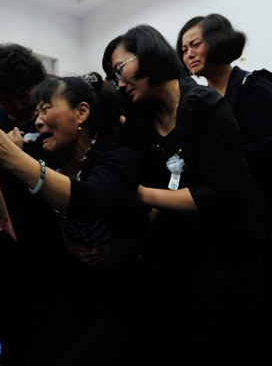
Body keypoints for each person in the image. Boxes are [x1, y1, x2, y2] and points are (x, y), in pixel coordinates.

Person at [0, 75, 149, 365]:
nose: (38, 121)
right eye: (38, 113)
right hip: (74, 285)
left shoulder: (119, 156)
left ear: (82, 111)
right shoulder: (48, 156)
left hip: (126, 287)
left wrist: (9, 155)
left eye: (46, 109)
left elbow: (90, 201)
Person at [103, 25, 266, 362]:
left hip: (231, 253)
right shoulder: (139, 119)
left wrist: (141, 194)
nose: (119, 82)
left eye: (120, 69)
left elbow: (219, 195)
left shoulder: (203, 104)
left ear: (148, 54)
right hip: (180, 256)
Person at [0, 43, 62, 366]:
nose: (15, 107)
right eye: (4, 100)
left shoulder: (61, 109)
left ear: (38, 81)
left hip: (60, 247)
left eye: (22, 95)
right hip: (11, 252)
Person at [177, 13, 272, 207]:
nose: (189, 55)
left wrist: (213, 160)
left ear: (218, 41)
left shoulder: (254, 85)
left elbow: (265, 147)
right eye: (184, 50)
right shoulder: (197, 100)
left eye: (195, 45)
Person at [0, 43, 46, 136]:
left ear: (36, 85)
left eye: (23, 95)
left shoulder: (51, 121)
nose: (18, 107)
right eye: (6, 101)